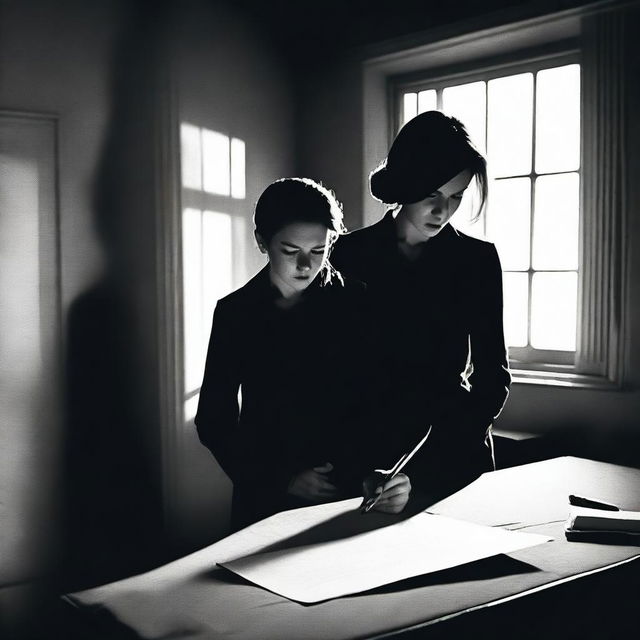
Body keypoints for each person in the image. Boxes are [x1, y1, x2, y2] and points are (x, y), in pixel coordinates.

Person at [195, 177, 411, 530]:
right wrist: (280, 477)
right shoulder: (236, 313)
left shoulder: (360, 303)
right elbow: (213, 420)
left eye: (319, 251)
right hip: (265, 500)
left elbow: (383, 403)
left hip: (351, 494)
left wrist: (387, 475)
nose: (306, 265)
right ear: (262, 242)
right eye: (290, 251)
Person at [331, 111, 511, 504]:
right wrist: (356, 462)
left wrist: (439, 458)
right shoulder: (347, 254)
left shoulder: (478, 260)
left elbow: (492, 375)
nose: (442, 211)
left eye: (456, 197)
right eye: (432, 194)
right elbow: (332, 369)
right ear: (406, 183)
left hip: (454, 454)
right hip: (367, 454)